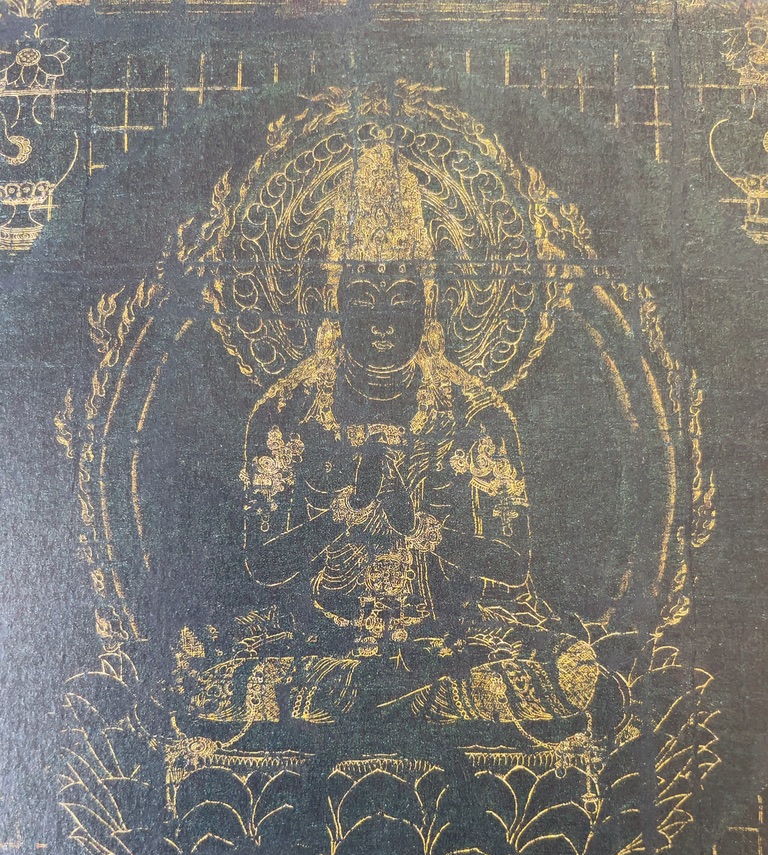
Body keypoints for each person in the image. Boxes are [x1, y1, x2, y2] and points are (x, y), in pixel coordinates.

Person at [178, 140, 621, 748]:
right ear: (334, 299)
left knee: (566, 667)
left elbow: (512, 565)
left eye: (402, 295)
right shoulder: (286, 411)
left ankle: (366, 707)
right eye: (363, 295)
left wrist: (420, 526)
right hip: (321, 637)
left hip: (450, 640)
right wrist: (344, 513)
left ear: (429, 299)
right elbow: (262, 563)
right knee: (202, 668)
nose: (383, 319)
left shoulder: (477, 412)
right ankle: (394, 704)